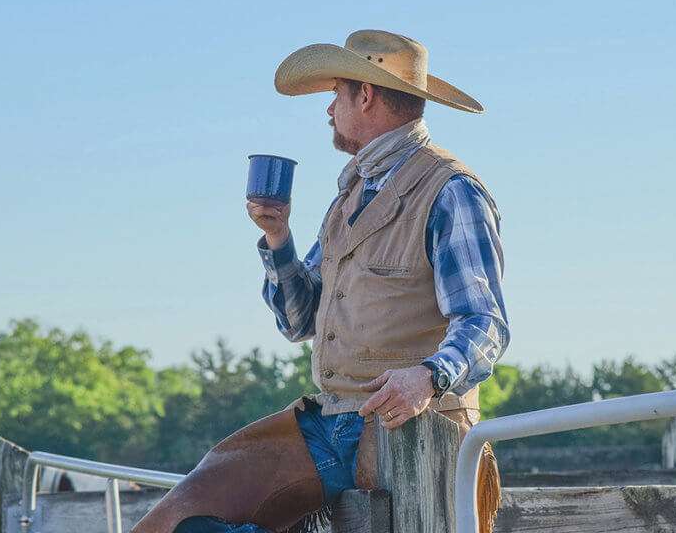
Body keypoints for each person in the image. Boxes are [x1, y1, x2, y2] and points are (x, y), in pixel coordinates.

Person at [132, 29, 509, 533]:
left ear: (367, 95)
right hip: (330, 426)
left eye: (336, 93)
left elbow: (486, 324)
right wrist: (278, 237)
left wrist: (427, 376)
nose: (329, 110)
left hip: (415, 433)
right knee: (175, 523)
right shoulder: (349, 195)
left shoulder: (451, 190)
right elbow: (299, 320)